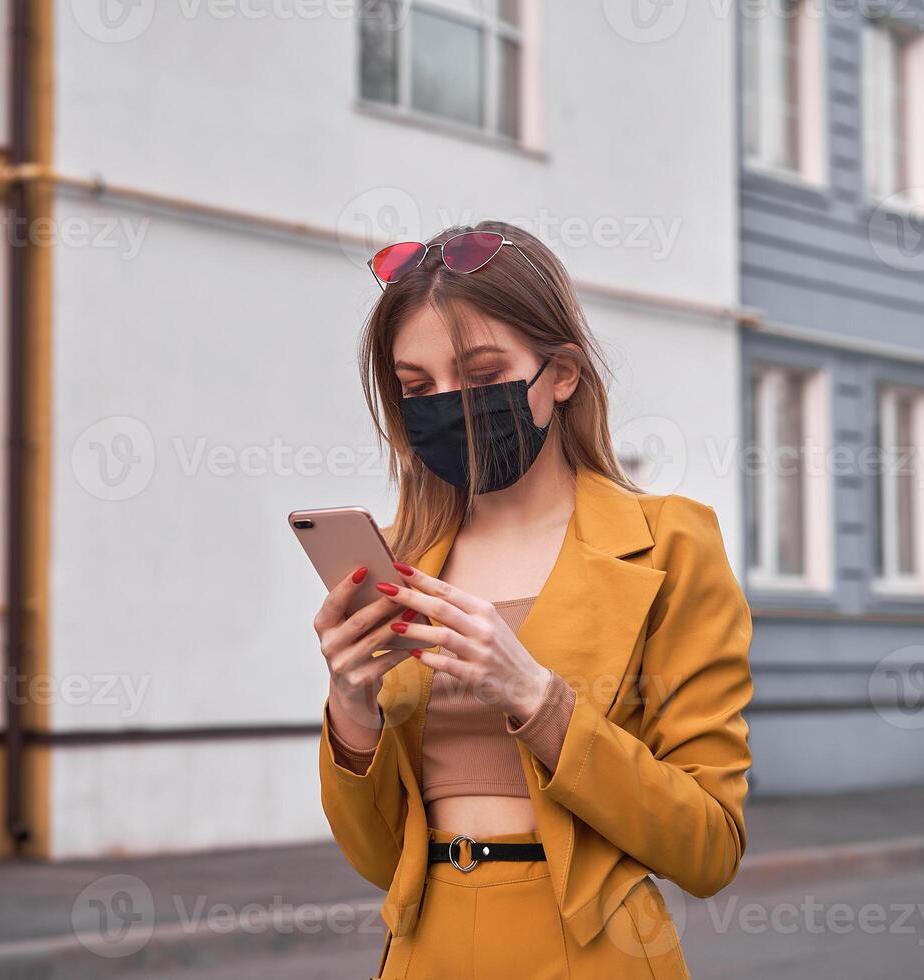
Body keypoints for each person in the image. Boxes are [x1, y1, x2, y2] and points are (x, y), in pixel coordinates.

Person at [315, 220, 753, 978]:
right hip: (426, 954)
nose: (448, 405)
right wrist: (352, 710)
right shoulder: (400, 560)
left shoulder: (671, 543)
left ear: (563, 374)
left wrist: (539, 699)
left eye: (482, 374)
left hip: (595, 953)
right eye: (417, 389)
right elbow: (377, 858)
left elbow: (709, 847)